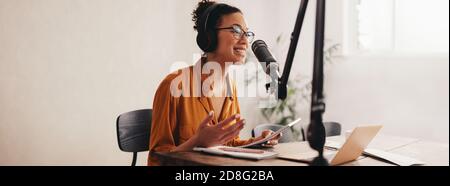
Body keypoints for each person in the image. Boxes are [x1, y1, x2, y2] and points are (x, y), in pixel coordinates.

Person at [148, 0, 280, 166]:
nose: (245, 41)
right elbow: (156, 159)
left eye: (247, 33)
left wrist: (256, 142)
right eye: (236, 31)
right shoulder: (174, 85)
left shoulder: (230, 87)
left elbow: (228, 145)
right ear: (209, 37)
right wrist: (197, 141)